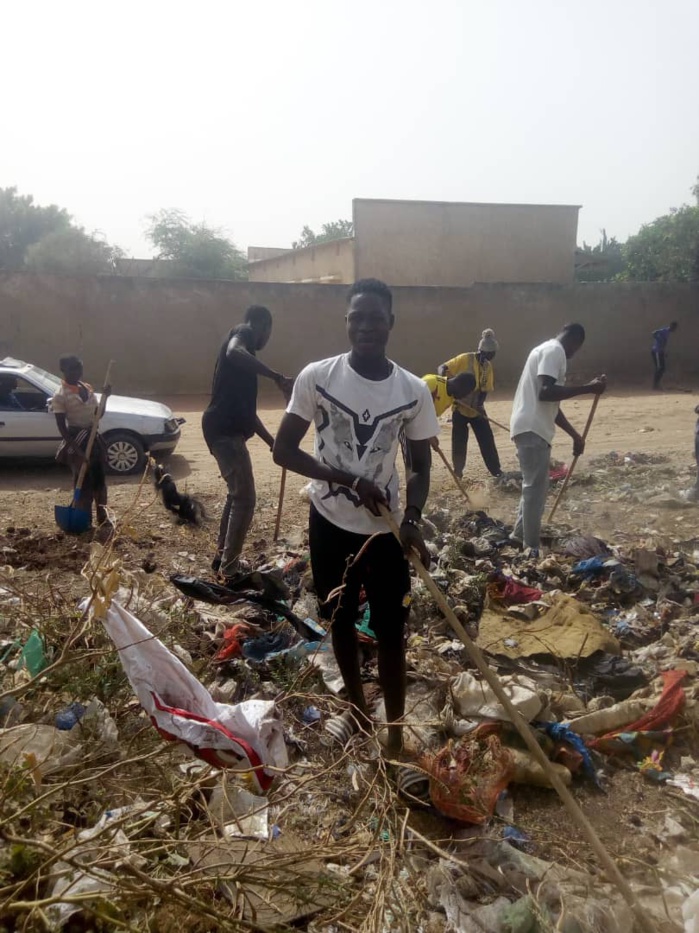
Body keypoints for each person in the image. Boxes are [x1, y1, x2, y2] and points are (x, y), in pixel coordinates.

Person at [273, 279, 439, 754]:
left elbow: (420, 465)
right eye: (357, 318)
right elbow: (284, 451)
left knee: (391, 630)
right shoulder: (317, 377)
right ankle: (357, 711)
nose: (366, 326)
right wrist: (347, 480)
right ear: (347, 322)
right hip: (329, 520)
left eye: (376, 317)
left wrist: (412, 519)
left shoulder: (412, 391)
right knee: (339, 618)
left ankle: (396, 732)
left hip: (384, 529)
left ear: (391, 321)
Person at [202, 305, 293, 582]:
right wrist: (276, 376)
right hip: (224, 432)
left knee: (236, 496)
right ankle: (229, 568)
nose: (267, 338)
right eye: (270, 332)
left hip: (225, 429)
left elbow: (248, 415)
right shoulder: (243, 335)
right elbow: (233, 351)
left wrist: (273, 443)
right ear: (263, 325)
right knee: (245, 498)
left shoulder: (243, 366)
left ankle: (222, 558)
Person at [510, 324, 606, 553]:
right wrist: (588, 388)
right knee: (535, 489)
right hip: (532, 428)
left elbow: (552, 405)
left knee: (535, 486)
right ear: (575, 341)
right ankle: (530, 546)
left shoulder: (545, 350)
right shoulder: (555, 351)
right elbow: (547, 392)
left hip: (532, 427)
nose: (574, 354)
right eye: (577, 349)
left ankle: (519, 534)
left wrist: (575, 436)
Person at [51, 355, 110, 527]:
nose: (77, 372)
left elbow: (98, 415)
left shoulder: (87, 388)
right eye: (73, 369)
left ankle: (103, 517)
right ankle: (84, 521)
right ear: (63, 371)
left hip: (94, 439)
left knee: (99, 480)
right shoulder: (60, 395)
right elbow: (62, 428)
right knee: (83, 483)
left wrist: (106, 397)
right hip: (77, 441)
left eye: (79, 368)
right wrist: (78, 451)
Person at [438, 328, 502, 478]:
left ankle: (496, 471)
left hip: (476, 408)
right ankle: (458, 471)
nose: (494, 356)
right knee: (459, 442)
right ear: (485, 352)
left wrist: (479, 406)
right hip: (459, 407)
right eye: (493, 353)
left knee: (487, 439)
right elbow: (443, 367)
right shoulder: (465, 358)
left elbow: (485, 389)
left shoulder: (488, 366)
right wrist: (443, 382)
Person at [651, 321, 678, 390]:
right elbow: (654, 333)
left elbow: (663, 344)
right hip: (656, 351)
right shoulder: (664, 330)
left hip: (660, 352)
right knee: (659, 368)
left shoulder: (668, 333)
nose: (675, 329)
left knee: (662, 368)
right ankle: (655, 385)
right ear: (671, 326)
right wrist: (658, 340)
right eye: (674, 328)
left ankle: (657, 384)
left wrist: (664, 352)